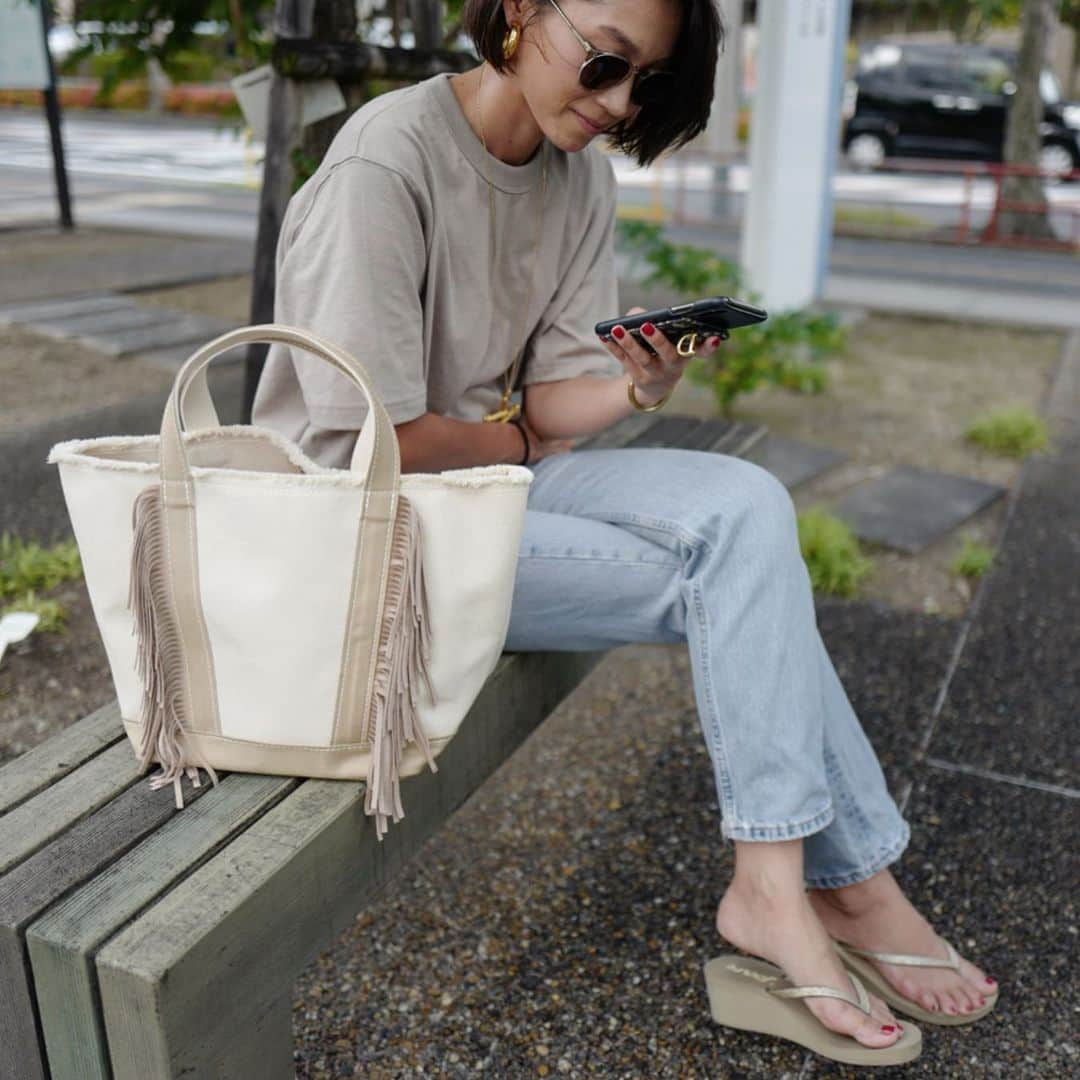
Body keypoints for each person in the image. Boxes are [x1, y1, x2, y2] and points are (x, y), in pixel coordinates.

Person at [252, 0, 999, 1063]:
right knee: (738, 575)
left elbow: (547, 403)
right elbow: (378, 441)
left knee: (749, 511)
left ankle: (787, 888)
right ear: (518, 12)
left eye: (642, 82)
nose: (614, 104)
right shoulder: (387, 164)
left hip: (493, 491)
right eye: (603, 64)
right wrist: (519, 441)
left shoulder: (577, 177)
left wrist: (637, 387)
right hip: (373, 534)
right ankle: (840, 891)